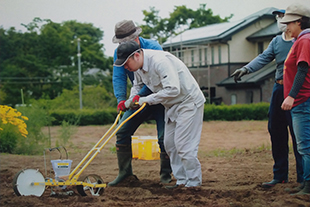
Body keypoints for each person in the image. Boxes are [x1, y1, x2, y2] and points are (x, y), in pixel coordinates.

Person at [114, 40, 206, 188]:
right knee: (169, 144)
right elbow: (137, 86)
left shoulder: (159, 61)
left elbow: (173, 89)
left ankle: (194, 183)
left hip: (188, 102)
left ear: (136, 55)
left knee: (183, 145)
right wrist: (130, 101)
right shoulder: (137, 68)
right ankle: (182, 181)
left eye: (126, 63)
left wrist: (145, 100)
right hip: (171, 105)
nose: (125, 67)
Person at [230, 9, 303, 188]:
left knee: (298, 134)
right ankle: (280, 175)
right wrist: (246, 69)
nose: (280, 21)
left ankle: (303, 177)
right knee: (276, 130)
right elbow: (264, 57)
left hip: (296, 90)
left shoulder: (301, 41)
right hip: (279, 88)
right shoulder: (276, 41)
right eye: (277, 18)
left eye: (283, 17)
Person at [108, 20, 172, 186]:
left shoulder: (154, 48)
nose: (122, 46)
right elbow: (119, 76)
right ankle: (125, 174)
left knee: (164, 137)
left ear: (135, 38)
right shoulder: (120, 52)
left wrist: (138, 97)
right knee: (122, 130)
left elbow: (155, 81)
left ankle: (166, 177)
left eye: (125, 42)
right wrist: (122, 100)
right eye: (120, 43)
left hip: (160, 97)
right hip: (137, 98)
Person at [280, 3, 310, 195]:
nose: (287, 28)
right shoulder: (301, 39)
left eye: (289, 23)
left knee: (305, 145)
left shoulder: (304, 40)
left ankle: (308, 185)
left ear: (299, 21)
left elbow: (303, 68)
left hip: (302, 100)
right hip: (301, 100)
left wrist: (291, 95)